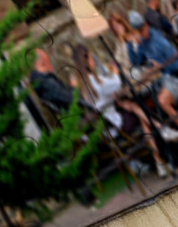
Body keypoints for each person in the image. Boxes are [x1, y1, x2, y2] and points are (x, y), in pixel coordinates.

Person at [71, 43, 172, 178]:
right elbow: (117, 83)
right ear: (87, 61)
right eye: (90, 58)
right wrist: (115, 72)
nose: (93, 61)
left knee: (128, 105)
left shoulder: (82, 87)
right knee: (139, 111)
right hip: (117, 126)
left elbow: (104, 100)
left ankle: (159, 157)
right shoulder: (96, 81)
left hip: (105, 131)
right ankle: (159, 147)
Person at [123, 10, 178, 163]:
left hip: (175, 78)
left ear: (146, 25)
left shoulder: (159, 41)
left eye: (142, 29)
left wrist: (161, 66)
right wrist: (130, 44)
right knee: (150, 106)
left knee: (163, 102)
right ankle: (174, 147)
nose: (141, 32)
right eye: (138, 31)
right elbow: (136, 64)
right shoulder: (142, 43)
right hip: (160, 82)